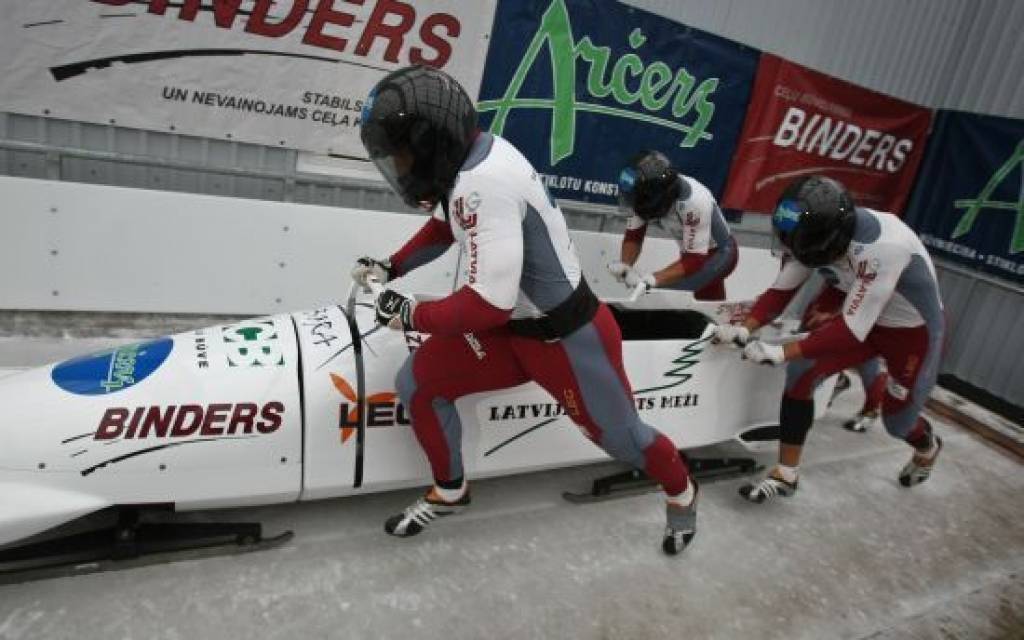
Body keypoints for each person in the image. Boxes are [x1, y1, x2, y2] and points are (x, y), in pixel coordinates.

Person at [352, 65, 698, 554]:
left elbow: (487, 304)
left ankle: (683, 493)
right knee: (419, 386)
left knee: (625, 440)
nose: (403, 168)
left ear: (432, 141)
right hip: (516, 332)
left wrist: (409, 314)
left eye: (404, 156)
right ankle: (451, 489)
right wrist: (392, 267)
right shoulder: (472, 161)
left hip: (569, 342)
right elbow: (448, 225)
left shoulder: (482, 181)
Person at [711, 175, 944, 502]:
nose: (796, 253)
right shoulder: (812, 235)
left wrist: (779, 352)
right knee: (800, 372)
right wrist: (744, 328)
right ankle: (786, 473)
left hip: (911, 334)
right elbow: (780, 291)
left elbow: (851, 329)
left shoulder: (884, 248)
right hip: (862, 313)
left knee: (897, 423)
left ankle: (928, 445)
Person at [608, 151, 738, 300]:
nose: (634, 205)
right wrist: (626, 266)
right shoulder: (643, 197)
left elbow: (695, 260)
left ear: (655, 195)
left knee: (654, 290)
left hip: (719, 255)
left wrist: (652, 279)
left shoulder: (694, 201)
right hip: (691, 254)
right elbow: (634, 236)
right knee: (707, 301)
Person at [801, 282, 889, 433]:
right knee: (812, 322)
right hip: (843, 276)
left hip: (876, 288)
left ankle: (872, 408)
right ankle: (836, 380)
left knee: (862, 346)